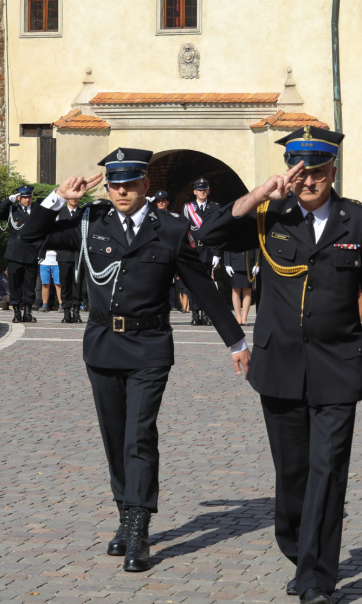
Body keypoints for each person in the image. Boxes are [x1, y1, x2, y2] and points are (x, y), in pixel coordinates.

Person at [20, 147, 248, 573]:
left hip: (149, 346)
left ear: (145, 185)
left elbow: (200, 287)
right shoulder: (90, 223)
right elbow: (25, 240)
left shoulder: (172, 229)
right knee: (114, 435)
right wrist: (55, 197)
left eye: (129, 184)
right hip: (103, 343)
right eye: (114, 184)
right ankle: (125, 515)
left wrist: (236, 341)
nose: (121, 191)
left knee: (139, 435)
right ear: (106, 188)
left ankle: (140, 528)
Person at [198, 126, 362, 604]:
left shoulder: (359, 222)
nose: (309, 182)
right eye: (301, 173)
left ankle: (317, 577)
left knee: (328, 471)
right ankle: (298, 551)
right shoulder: (270, 215)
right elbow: (210, 233)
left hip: (338, 365)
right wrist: (263, 191)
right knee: (292, 475)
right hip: (280, 364)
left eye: (318, 173)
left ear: (333, 172)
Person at [0, 185, 40, 323]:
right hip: (15, 253)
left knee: (29, 284)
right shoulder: (12, 210)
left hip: (31, 251)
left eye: (29, 196)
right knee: (14, 283)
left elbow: (44, 231)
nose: (27, 199)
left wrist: (41, 251)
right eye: (24, 197)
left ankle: (27, 312)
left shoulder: (36, 211)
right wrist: (9, 200)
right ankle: (16, 312)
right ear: (19, 198)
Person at [183, 179, 221, 326]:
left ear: (208, 191)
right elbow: (184, 232)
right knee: (193, 284)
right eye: (199, 189)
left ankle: (206, 314)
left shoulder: (215, 207)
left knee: (207, 285)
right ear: (195, 192)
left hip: (208, 251)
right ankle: (195, 313)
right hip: (193, 251)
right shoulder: (188, 208)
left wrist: (217, 253)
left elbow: (218, 232)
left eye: (205, 189)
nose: (202, 192)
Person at [56, 197, 84, 323]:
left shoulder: (83, 212)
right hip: (64, 253)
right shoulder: (60, 213)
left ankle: (76, 312)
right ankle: (66, 312)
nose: (74, 199)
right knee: (65, 283)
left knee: (77, 283)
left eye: (76, 198)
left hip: (79, 253)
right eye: (72, 197)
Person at [224, 247, 260, 325]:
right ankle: (238, 317)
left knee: (247, 290)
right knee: (236, 290)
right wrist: (227, 263)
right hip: (235, 262)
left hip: (249, 262)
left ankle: (244, 318)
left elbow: (257, 247)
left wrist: (257, 263)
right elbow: (228, 244)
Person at [38, 248, 62, 314]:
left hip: (57, 262)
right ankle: (44, 305)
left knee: (58, 284)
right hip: (44, 262)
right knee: (45, 284)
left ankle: (61, 305)